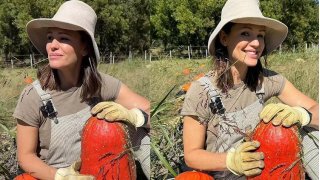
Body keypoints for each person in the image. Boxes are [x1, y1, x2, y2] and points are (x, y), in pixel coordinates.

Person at [181, 0, 319, 179]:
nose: (256, 43)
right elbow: (191, 155)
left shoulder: (267, 80)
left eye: (260, 35)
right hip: (220, 175)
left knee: (312, 131)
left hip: (261, 172)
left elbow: (317, 110)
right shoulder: (202, 90)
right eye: (245, 33)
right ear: (224, 38)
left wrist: (302, 115)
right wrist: (232, 161)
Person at [13, 0, 150, 179]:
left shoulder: (100, 84)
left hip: (96, 173)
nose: (52, 45)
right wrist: (61, 176)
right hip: (54, 175)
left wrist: (134, 116)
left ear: (84, 47)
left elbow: (148, 109)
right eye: (49, 38)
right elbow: (25, 157)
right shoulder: (33, 96)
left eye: (63, 38)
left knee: (142, 131)